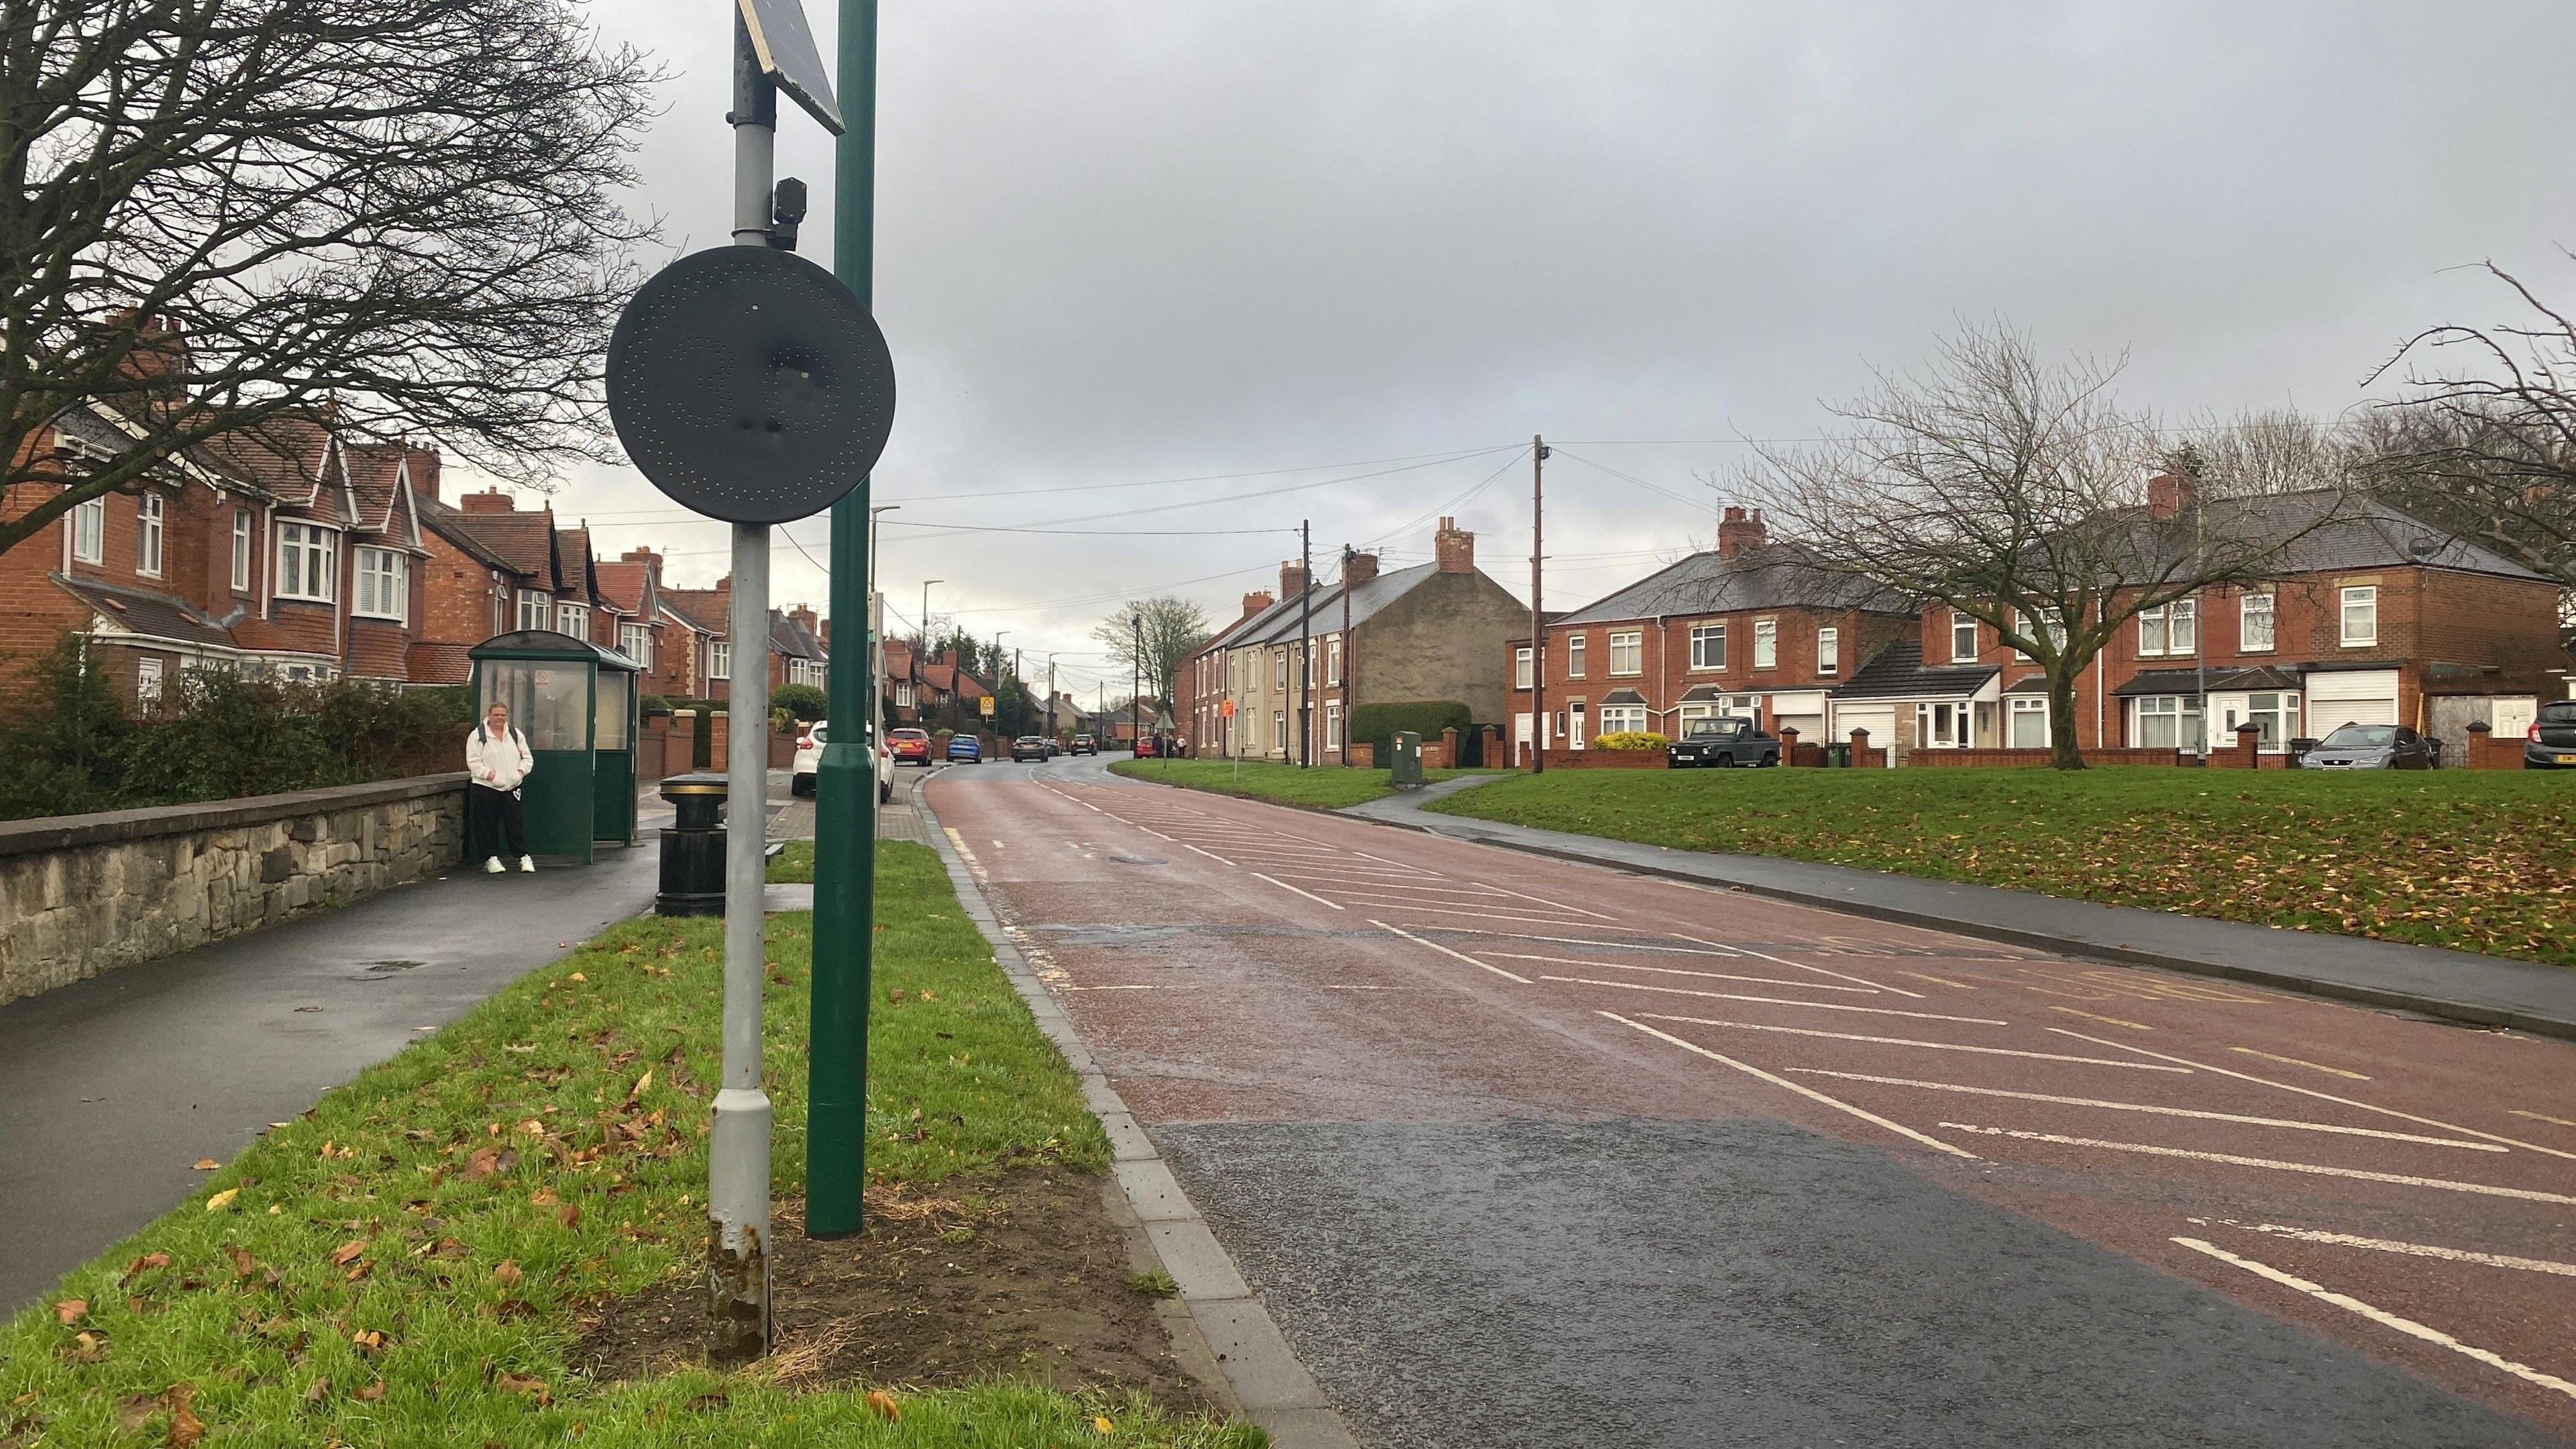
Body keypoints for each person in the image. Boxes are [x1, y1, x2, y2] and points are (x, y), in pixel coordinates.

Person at [466, 701, 535, 873]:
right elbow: (473, 761)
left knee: (515, 824)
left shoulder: (515, 734)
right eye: (496, 715)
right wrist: (488, 775)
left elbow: (527, 758)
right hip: (486, 786)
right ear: (489, 715)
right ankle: (491, 859)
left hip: (512, 786)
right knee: (487, 824)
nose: (500, 718)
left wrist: (520, 772)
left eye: (503, 715)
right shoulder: (477, 736)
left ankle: (523, 857)